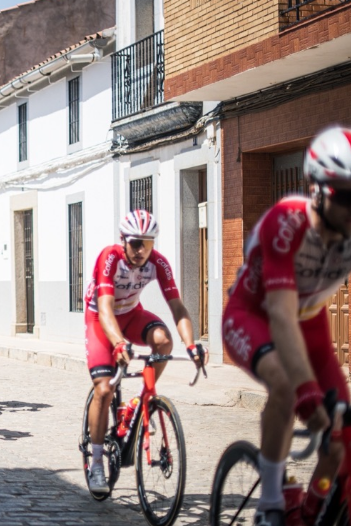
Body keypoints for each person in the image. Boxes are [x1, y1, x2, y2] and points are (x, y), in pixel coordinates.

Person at [222, 127, 351, 526]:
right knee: (285, 384)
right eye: (346, 195)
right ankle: (271, 503)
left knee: (342, 437)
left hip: (310, 327)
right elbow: (280, 314)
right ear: (317, 190)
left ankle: (313, 509)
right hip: (253, 316)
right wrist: (308, 394)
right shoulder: (288, 221)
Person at [84, 209, 204, 495]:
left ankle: (142, 398)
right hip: (101, 319)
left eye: (147, 243)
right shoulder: (109, 257)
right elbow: (104, 309)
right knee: (104, 389)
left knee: (163, 341)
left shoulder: (158, 263)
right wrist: (117, 342)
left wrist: (192, 344)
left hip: (131, 314)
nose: (141, 250)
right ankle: (97, 463)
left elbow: (178, 307)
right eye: (135, 243)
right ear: (123, 240)